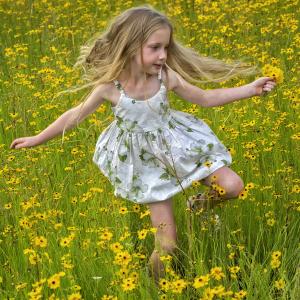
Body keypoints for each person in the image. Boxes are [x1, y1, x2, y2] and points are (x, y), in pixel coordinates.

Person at [10, 5, 276, 283]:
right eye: (155, 47)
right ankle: (156, 286)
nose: (163, 55)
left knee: (232, 187)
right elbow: (74, 115)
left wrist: (251, 89)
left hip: (181, 146)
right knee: (168, 245)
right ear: (130, 45)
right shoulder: (110, 88)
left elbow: (207, 98)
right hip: (146, 165)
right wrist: (37, 138)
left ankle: (198, 204)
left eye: (166, 47)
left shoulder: (165, 77)